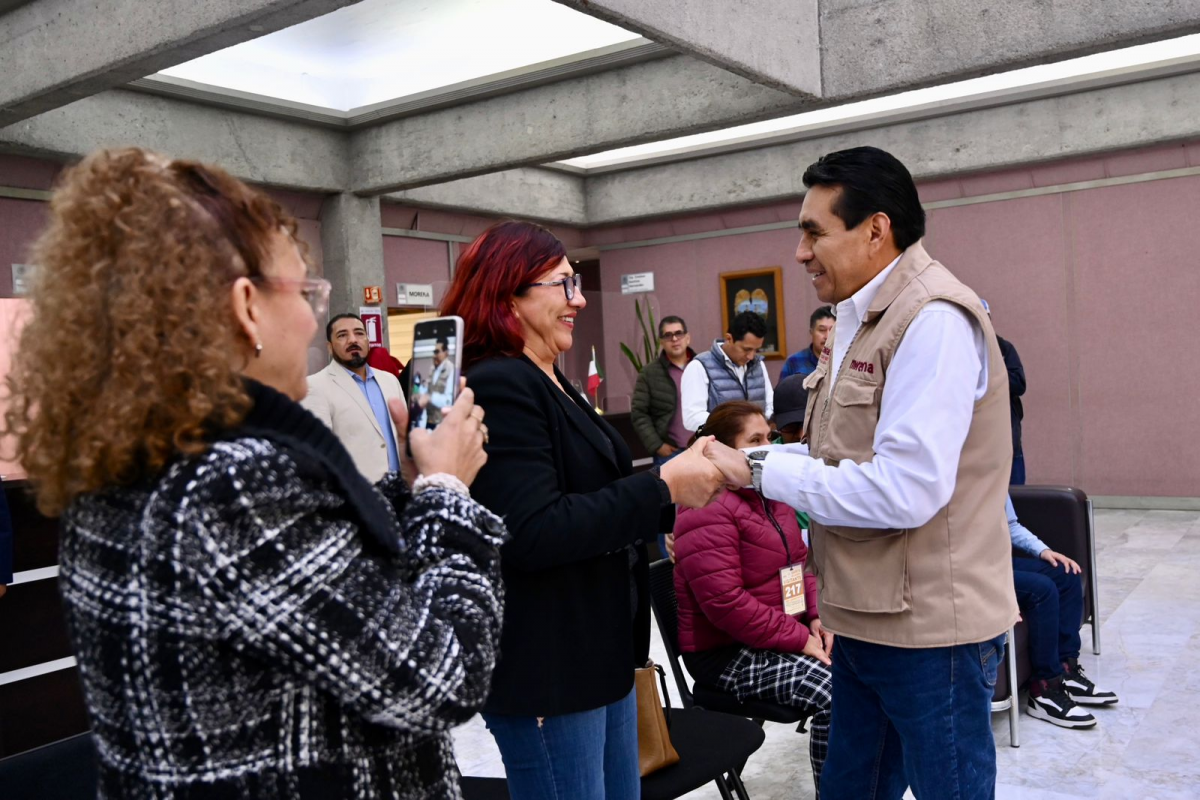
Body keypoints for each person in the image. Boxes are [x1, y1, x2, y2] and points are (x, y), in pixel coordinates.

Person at [3, 148, 505, 799]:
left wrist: (410, 483)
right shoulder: (233, 484)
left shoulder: (129, 462)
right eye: (306, 292)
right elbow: (442, 678)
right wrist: (446, 491)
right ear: (246, 306)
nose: (314, 323)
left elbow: (318, 580)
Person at [705, 146, 1018, 800]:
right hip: (863, 618)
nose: (799, 251)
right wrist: (746, 462)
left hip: (931, 631)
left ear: (876, 230)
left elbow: (904, 491)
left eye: (814, 231)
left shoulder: (931, 321)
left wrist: (761, 476)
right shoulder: (857, 319)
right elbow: (834, 457)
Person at [440, 220, 725, 800]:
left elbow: (591, 491)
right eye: (563, 284)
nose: (576, 300)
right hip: (552, 666)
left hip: (601, 654)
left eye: (575, 283)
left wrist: (675, 497)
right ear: (508, 293)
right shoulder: (500, 383)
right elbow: (533, 531)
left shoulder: (549, 376)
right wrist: (663, 489)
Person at [674, 401, 834, 796]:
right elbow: (726, 604)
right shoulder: (706, 506)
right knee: (840, 695)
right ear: (722, 450)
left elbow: (796, 565)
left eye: (770, 437)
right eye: (755, 440)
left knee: (871, 674)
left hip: (774, 637)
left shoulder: (768, 494)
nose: (769, 447)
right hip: (726, 655)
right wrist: (799, 639)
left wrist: (812, 616)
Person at [1007, 495, 1118, 728]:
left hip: (996, 558)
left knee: (1066, 574)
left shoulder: (991, 467)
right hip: (967, 565)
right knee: (1041, 590)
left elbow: (1010, 525)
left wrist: (1043, 550)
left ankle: (1065, 670)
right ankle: (1044, 689)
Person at [303, 313, 405, 483]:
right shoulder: (316, 386)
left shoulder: (390, 380)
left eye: (359, 333)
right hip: (359, 495)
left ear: (368, 340)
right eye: (342, 335)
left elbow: (403, 434)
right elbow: (319, 452)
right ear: (329, 347)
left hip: (401, 490)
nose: (353, 340)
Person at [681, 310, 774, 432]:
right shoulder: (699, 366)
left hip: (757, 446)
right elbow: (691, 418)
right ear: (729, 338)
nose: (751, 356)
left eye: (756, 350)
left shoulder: (758, 364)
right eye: (746, 349)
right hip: (718, 447)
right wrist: (738, 426)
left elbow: (769, 406)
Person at [631, 315, 695, 466]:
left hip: (702, 449)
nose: (674, 339)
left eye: (678, 333)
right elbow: (639, 413)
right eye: (668, 335)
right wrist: (657, 445)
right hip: (670, 454)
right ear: (661, 342)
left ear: (687, 337)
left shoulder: (702, 366)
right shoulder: (649, 373)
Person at [982, 300, 1028, 485]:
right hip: (979, 444)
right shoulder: (958, 349)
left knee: (1016, 495)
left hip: (1009, 437)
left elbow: (1019, 384)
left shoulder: (1004, 348)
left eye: (984, 318)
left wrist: (989, 375)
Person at [770, 375, 812, 532]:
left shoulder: (844, 457)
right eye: (791, 426)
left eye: (809, 424)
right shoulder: (765, 461)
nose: (801, 435)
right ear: (776, 425)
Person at [780, 306, 835, 381]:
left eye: (832, 330)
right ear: (811, 332)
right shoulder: (794, 362)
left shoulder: (844, 362)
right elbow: (783, 391)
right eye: (822, 330)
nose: (827, 336)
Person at [421, 337, 456, 428]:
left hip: (443, 423)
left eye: (437, 352)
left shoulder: (452, 370)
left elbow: (449, 400)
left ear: (446, 353)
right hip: (429, 420)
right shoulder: (433, 369)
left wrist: (429, 397)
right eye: (434, 352)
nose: (434, 355)